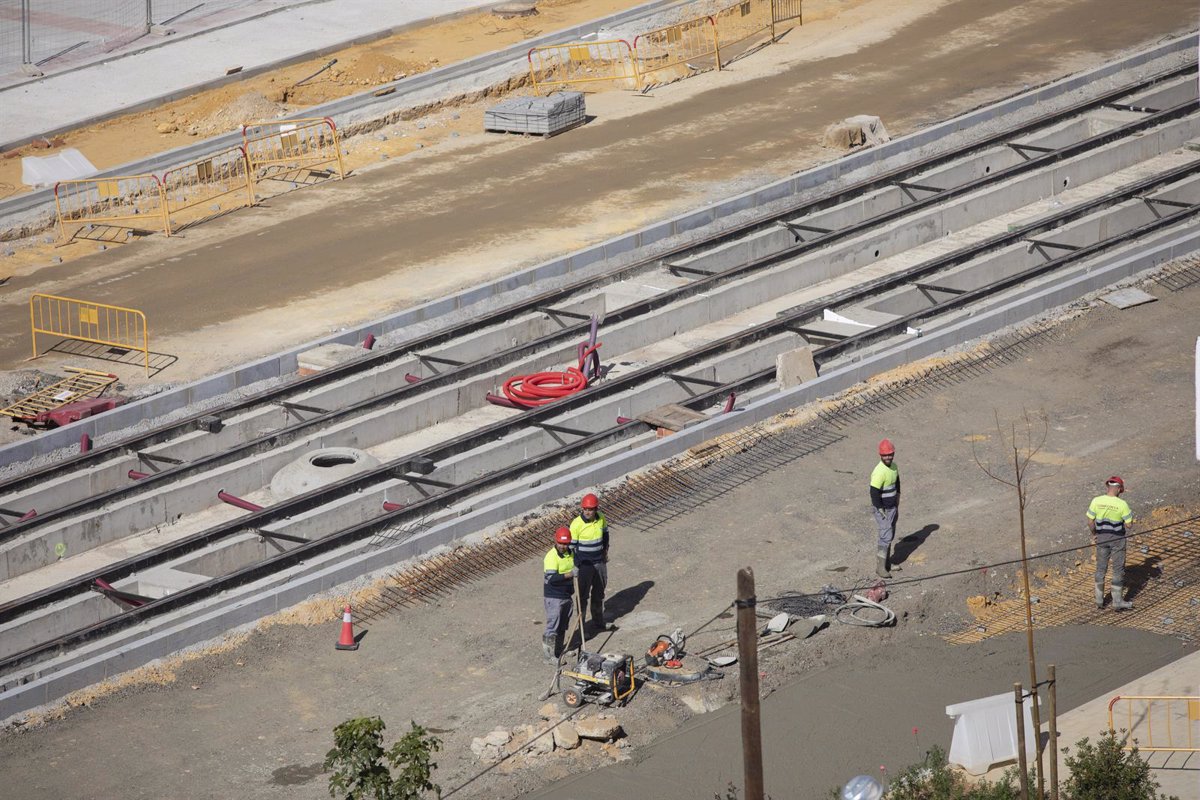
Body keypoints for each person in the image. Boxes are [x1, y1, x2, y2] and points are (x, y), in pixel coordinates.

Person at [1088, 476, 1134, 610]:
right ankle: (1117, 601)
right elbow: (1129, 525)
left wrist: (1095, 534)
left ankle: (1099, 600)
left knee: (1101, 569)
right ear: (1119, 488)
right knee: (1117, 570)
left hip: (1102, 539)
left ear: (1108, 486)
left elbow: (1090, 521)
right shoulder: (1122, 504)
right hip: (1118, 540)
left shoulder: (1096, 501)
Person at [570, 492, 609, 633]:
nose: (587, 512)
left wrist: (605, 552)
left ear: (596, 509)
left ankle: (598, 621)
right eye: (585, 509)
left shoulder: (601, 519)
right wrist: (575, 565)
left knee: (599, 593)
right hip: (585, 566)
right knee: (582, 597)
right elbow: (571, 547)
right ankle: (581, 629)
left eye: (590, 509)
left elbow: (605, 535)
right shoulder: (576, 524)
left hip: (599, 563)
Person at [542, 526, 576, 663]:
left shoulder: (571, 553)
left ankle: (559, 649)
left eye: (565, 543)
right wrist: (571, 574)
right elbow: (553, 579)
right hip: (554, 597)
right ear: (556, 542)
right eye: (561, 543)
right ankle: (549, 656)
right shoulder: (551, 556)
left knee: (563, 625)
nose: (563, 546)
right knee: (553, 625)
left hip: (566, 595)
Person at [869, 438, 900, 578]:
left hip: (892, 507)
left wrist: (898, 496)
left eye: (890, 454)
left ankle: (887, 563)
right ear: (880, 455)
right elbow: (874, 492)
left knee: (890, 534)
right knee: (885, 536)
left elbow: (897, 482)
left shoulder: (894, 467)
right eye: (885, 455)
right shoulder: (879, 471)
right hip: (883, 509)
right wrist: (880, 508)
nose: (888, 457)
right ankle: (880, 567)